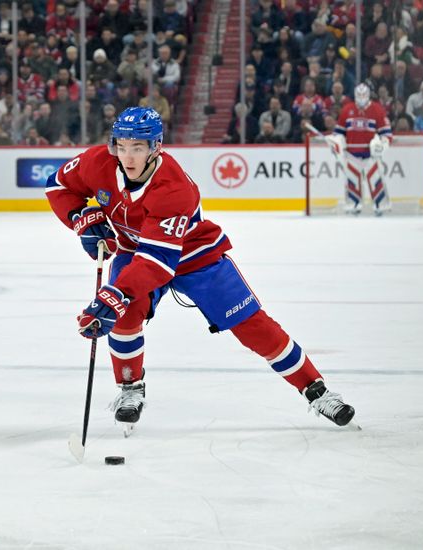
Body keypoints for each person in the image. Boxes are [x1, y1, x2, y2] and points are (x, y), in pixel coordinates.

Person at [45, 106, 355, 434]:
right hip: (134, 249)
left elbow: (156, 263)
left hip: (194, 256)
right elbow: (58, 185)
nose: (128, 156)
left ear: (155, 147)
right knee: (124, 315)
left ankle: (316, 390)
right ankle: (131, 388)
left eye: (137, 148)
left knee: (252, 324)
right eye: (121, 146)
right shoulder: (98, 162)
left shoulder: (173, 188)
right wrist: (82, 219)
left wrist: (114, 295)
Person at [327, 83, 392, 215]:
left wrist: (382, 145)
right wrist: (335, 142)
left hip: (371, 154)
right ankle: (354, 203)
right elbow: (339, 132)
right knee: (352, 179)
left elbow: (386, 134)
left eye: (364, 95)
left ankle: (381, 203)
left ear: (368, 95)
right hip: (351, 154)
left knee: (375, 178)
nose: (361, 97)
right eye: (359, 95)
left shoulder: (377, 110)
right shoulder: (347, 109)